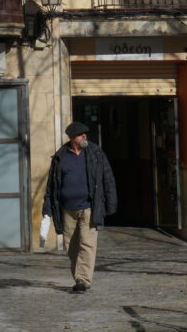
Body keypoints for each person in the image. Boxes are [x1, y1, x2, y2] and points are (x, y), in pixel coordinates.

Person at [43, 121, 118, 293]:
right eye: (81, 134)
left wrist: (110, 203)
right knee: (72, 247)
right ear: (71, 138)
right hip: (67, 209)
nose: (85, 136)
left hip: (89, 207)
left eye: (86, 134)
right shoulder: (60, 156)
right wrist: (47, 210)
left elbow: (108, 178)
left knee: (87, 244)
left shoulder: (95, 153)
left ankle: (82, 280)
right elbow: (51, 186)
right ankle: (79, 277)